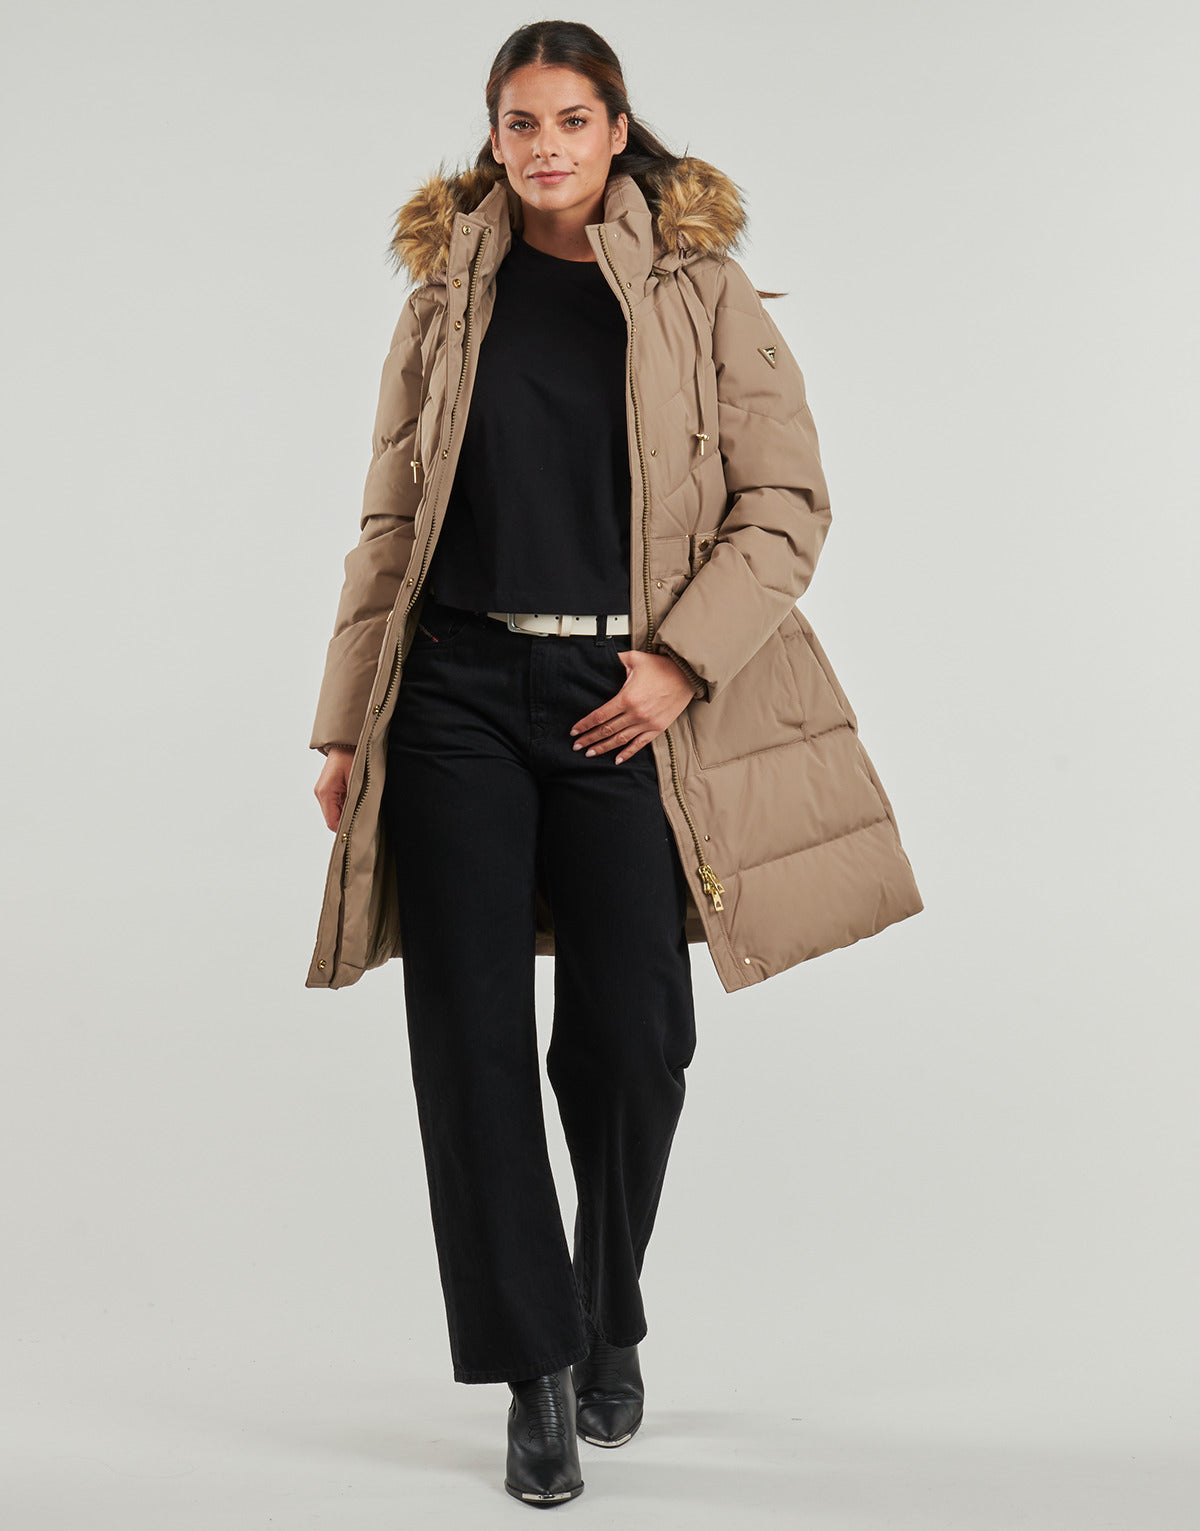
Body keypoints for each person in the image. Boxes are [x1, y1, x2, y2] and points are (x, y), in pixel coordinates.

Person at [307, 18, 923, 1511]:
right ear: (494, 136)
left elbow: (786, 504)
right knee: (467, 1038)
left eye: (571, 120)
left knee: (635, 1038)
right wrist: (343, 721)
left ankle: (607, 1298)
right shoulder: (446, 296)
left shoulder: (700, 289)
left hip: (626, 701)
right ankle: (537, 1370)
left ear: (617, 126)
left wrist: (678, 664)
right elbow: (390, 519)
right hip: (453, 692)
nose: (545, 148)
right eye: (520, 123)